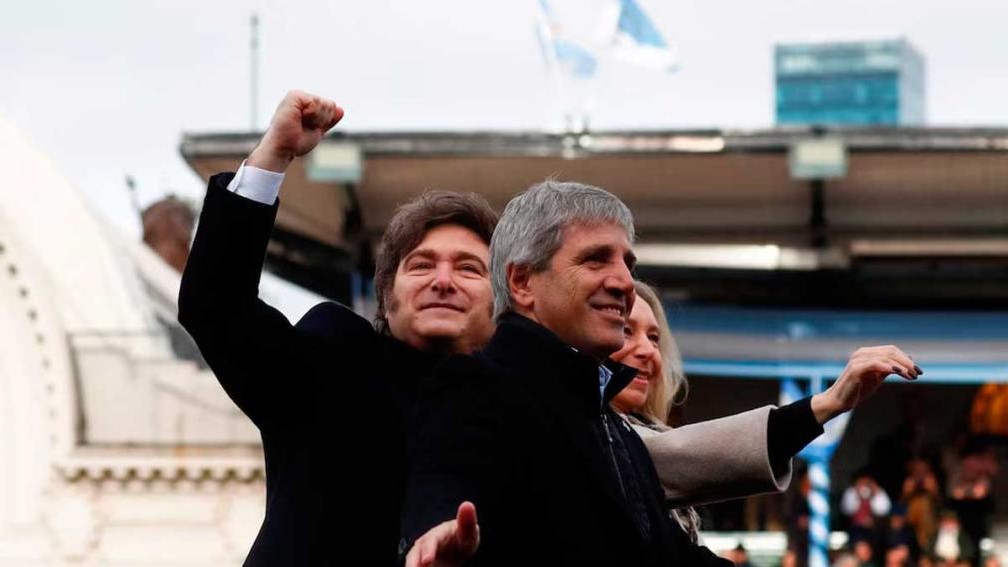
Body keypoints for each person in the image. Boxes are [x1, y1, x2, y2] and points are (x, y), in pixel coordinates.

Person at [178, 91, 497, 566]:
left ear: (502, 301)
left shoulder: (523, 405)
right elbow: (216, 307)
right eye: (421, 265)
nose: (443, 280)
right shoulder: (337, 358)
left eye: (468, 268)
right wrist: (274, 154)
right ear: (387, 298)